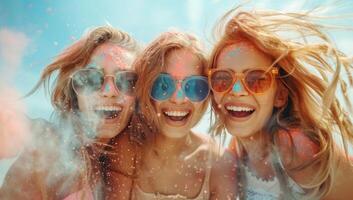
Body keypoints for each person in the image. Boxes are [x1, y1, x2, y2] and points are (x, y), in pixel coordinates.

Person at [208, 7, 353, 200]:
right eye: (222, 79)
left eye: (257, 80)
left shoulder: (297, 148)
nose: (237, 92)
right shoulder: (238, 149)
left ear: (280, 96)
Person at [0, 25, 141, 199]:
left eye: (127, 80)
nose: (109, 91)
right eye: (91, 78)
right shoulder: (47, 149)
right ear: (74, 94)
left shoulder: (135, 161)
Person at [105, 31, 237, 200]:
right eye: (163, 85)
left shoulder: (220, 163)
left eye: (195, 86)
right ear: (146, 88)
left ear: (209, 93)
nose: (178, 99)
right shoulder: (127, 148)